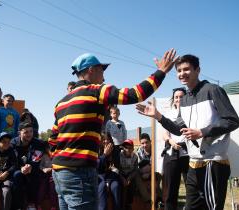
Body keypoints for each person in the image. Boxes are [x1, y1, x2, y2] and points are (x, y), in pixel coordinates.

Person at [48, 48, 178, 210]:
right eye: (102, 70)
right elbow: (135, 94)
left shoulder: (61, 102)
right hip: (79, 172)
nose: (104, 76)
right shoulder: (96, 91)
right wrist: (161, 72)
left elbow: (53, 140)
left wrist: (61, 161)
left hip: (59, 173)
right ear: (91, 70)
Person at [136, 54, 239, 210]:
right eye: (179, 70)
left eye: (186, 69)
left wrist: (202, 132)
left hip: (213, 163)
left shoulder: (213, 90)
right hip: (193, 163)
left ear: (197, 70)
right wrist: (158, 116)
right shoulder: (185, 100)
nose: (181, 74)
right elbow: (179, 130)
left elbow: (232, 121)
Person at [161, 87, 189, 210]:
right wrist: (171, 141)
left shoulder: (193, 113)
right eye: (176, 97)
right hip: (172, 154)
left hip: (189, 154)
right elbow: (164, 134)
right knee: (170, 190)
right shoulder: (169, 114)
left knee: (192, 189)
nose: (178, 99)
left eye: (181, 96)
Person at [10, 122, 45, 210]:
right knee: (17, 175)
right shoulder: (13, 143)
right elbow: (11, 159)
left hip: (32, 167)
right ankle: (17, 206)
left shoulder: (38, 143)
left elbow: (37, 157)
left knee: (35, 175)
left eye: (31, 131)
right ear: (19, 133)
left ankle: (31, 203)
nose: (29, 134)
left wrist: (30, 166)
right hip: (17, 168)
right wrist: (20, 167)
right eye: (26, 132)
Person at [135, 133, 163, 206]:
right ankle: (148, 199)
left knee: (160, 171)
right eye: (142, 143)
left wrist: (149, 172)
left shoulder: (156, 150)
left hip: (155, 172)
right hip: (144, 173)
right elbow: (138, 168)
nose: (145, 145)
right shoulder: (139, 151)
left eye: (146, 142)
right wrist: (144, 172)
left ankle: (159, 197)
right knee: (135, 174)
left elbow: (157, 165)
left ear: (150, 141)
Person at [98, 132, 121, 210]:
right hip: (100, 178)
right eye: (104, 139)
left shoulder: (115, 151)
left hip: (112, 177)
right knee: (102, 187)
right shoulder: (97, 150)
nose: (106, 141)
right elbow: (97, 168)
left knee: (116, 186)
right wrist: (104, 155)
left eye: (108, 139)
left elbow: (117, 168)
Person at [37, 142, 58, 210]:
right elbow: (40, 166)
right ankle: (38, 204)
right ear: (46, 149)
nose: (50, 151)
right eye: (49, 149)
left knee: (52, 187)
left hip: (53, 174)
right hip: (45, 174)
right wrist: (43, 169)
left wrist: (51, 169)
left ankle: (53, 206)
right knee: (42, 187)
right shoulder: (44, 156)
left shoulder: (56, 156)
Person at [119, 139, 138, 210]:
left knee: (132, 185)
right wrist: (122, 178)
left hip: (130, 174)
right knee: (119, 185)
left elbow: (136, 169)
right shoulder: (119, 155)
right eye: (126, 147)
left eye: (130, 148)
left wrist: (129, 178)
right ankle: (120, 205)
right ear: (123, 148)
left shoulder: (135, 157)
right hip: (121, 174)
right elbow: (117, 168)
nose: (128, 149)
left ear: (133, 148)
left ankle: (128, 204)